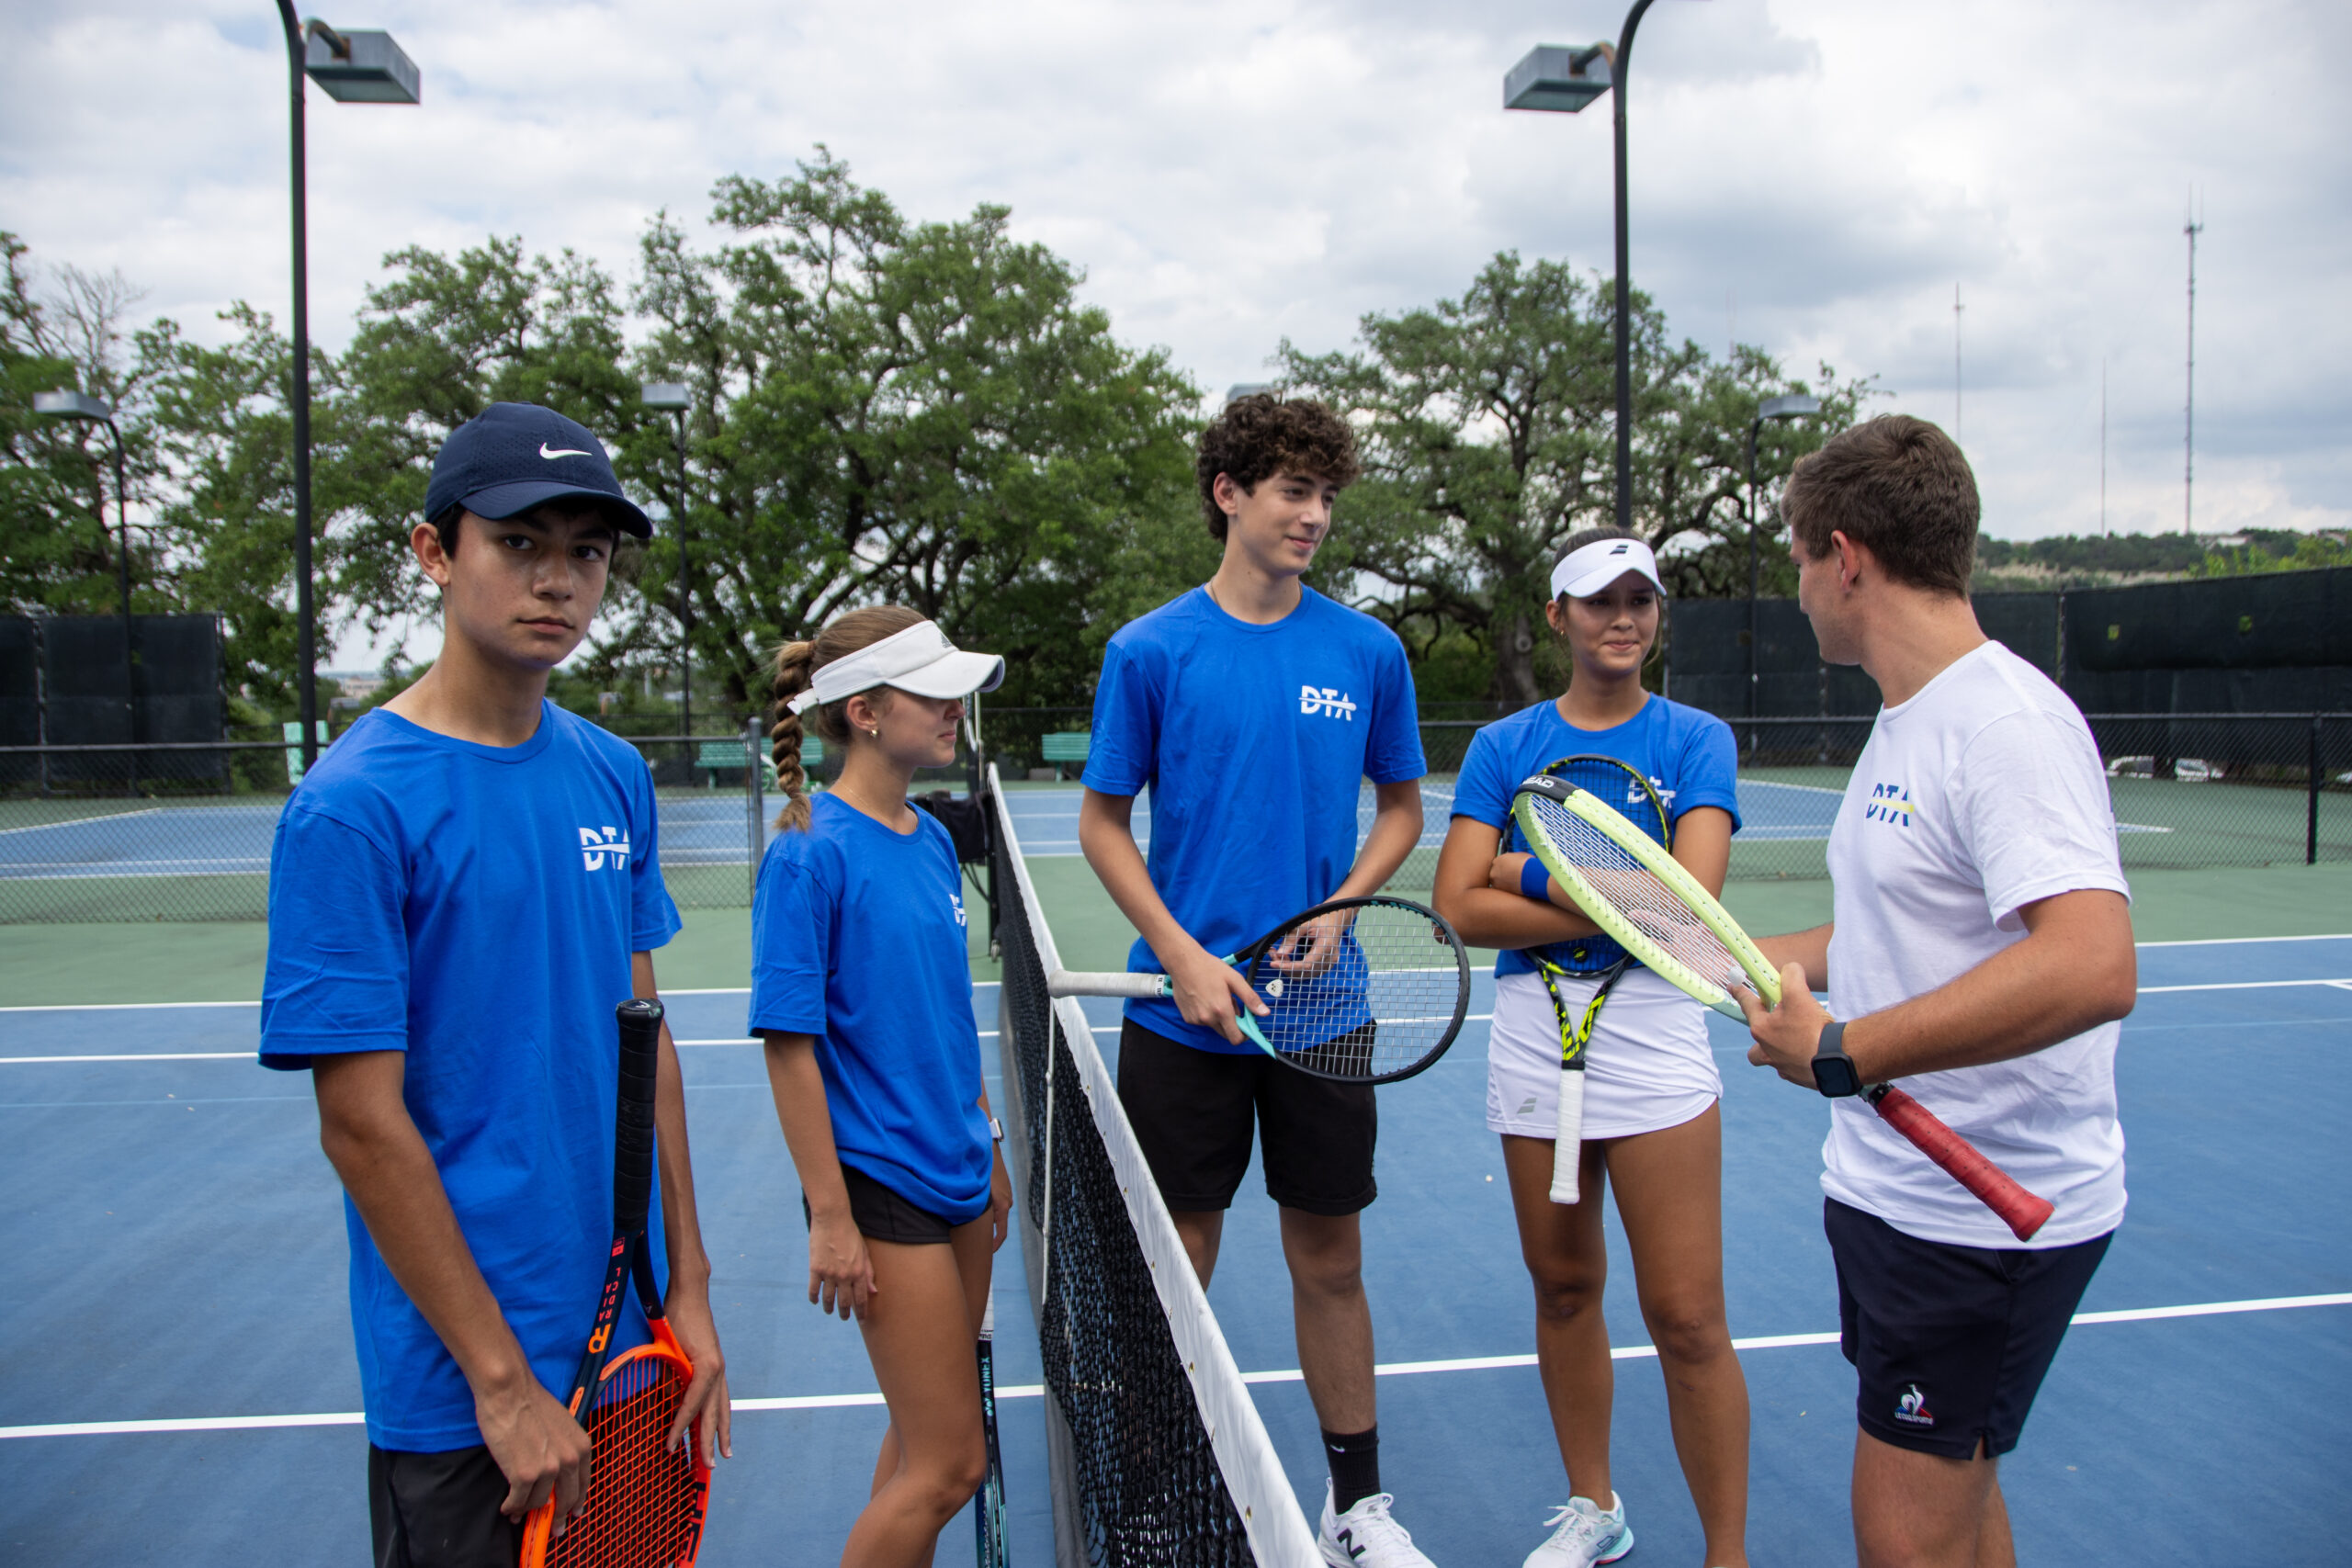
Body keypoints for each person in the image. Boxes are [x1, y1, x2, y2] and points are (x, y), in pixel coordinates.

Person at [259, 401, 730, 1566]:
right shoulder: (352, 807)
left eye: (587, 551)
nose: (558, 581)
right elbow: (362, 1126)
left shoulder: (613, 775)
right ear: (435, 551)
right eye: (519, 543)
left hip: (624, 1346)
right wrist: (503, 1382)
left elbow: (644, 1038)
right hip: (474, 1389)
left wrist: (692, 1290)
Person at [1739, 415, 2136, 1568]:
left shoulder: (2002, 722)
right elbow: (1888, 929)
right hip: (1900, 1196)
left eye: (1801, 559)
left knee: (1903, 1541)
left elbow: (2090, 962)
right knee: (1956, 1499)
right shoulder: (1907, 715)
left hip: (1981, 1218)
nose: (1801, 586)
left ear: (1845, 556)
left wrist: (1844, 1050)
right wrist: (1748, 959)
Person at [1076, 393, 1435, 1567]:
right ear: (1228, 494)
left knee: (1331, 1261)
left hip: (1325, 1015)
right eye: (1292, 490)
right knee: (1175, 1263)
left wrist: (1340, 907)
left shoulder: (1366, 651)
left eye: (1327, 495)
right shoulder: (1149, 650)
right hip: (1183, 1018)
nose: (1315, 515)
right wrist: (1177, 951)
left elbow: (1398, 809)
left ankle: (1358, 1512)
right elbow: (1101, 823)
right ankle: (1148, 1490)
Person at [1432, 527, 1752, 1568]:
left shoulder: (1696, 739)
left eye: (1641, 601)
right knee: (1563, 1286)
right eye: (1599, 600)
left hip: (1655, 1035)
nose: (1623, 617)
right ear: (1559, 615)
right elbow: (1455, 907)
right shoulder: (1504, 744)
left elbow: (1682, 912)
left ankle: (1726, 1553)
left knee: (1686, 1314)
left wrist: (1522, 871)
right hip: (1537, 1034)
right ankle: (1593, 1510)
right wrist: (1598, 895)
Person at [752, 606, 1014, 1568]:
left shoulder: (933, 839)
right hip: (882, 1187)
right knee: (950, 1468)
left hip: (955, 1171)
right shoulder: (807, 852)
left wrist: (983, 1141)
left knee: (917, 1445)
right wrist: (830, 1216)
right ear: (863, 711)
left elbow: (944, 1012)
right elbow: (789, 1047)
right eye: (931, 693)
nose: (955, 710)